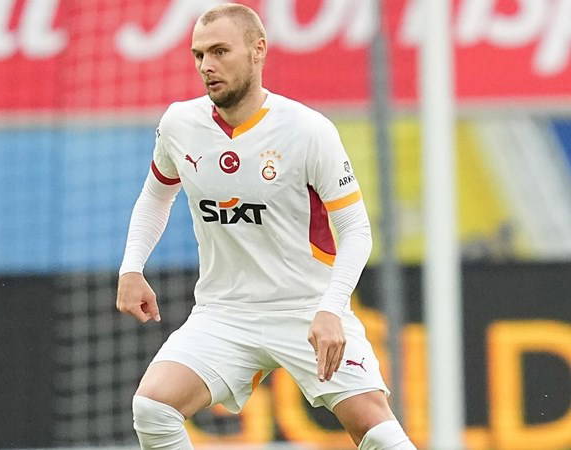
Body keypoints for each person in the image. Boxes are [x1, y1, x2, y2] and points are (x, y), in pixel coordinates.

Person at [116, 3, 415, 450]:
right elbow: (156, 195)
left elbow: (356, 229)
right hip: (225, 312)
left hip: (306, 307)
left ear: (258, 51)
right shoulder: (179, 124)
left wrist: (331, 309)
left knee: (379, 433)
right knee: (152, 409)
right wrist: (131, 267)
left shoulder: (308, 130)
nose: (207, 66)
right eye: (199, 54)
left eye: (220, 51)